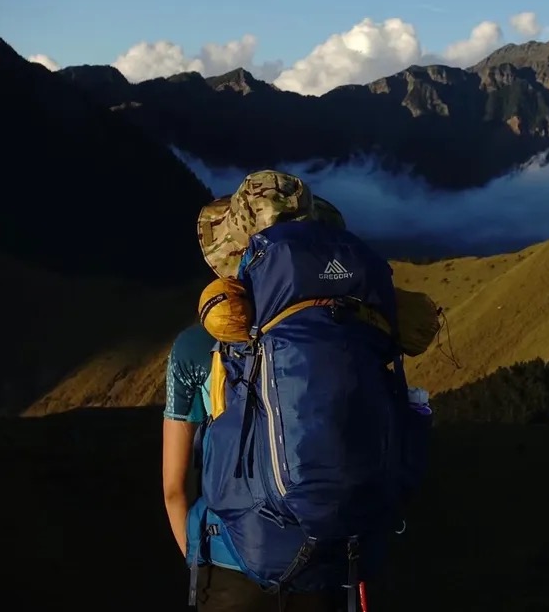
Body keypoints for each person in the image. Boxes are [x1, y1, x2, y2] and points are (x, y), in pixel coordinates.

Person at [162, 170, 436, 612]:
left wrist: (201, 562)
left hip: (232, 570)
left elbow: (175, 489)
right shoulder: (354, 332)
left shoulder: (195, 347)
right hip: (332, 566)